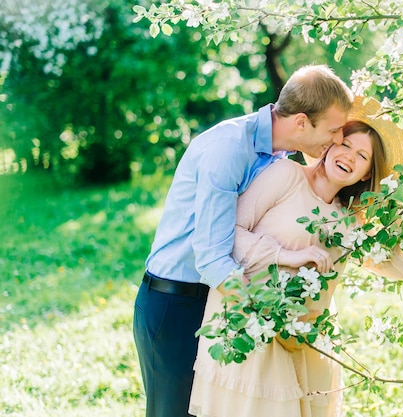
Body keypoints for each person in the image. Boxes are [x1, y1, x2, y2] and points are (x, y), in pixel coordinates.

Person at [133, 64, 354, 417]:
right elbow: (211, 258)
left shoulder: (279, 154)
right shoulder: (229, 149)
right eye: (332, 130)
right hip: (175, 302)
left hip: (212, 301)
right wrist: (271, 314)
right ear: (301, 122)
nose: (337, 140)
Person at [189, 96, 403, 417]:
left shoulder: (349, 222)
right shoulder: (286, 174)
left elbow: (401, 269)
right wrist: (287, 256)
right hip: (253, 328)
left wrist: (400, 211)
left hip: (305, 343)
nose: (349, 157)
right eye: (346, 145)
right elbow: (232, 234)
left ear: (367, 174)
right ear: (330, 144)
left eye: (362, 156)